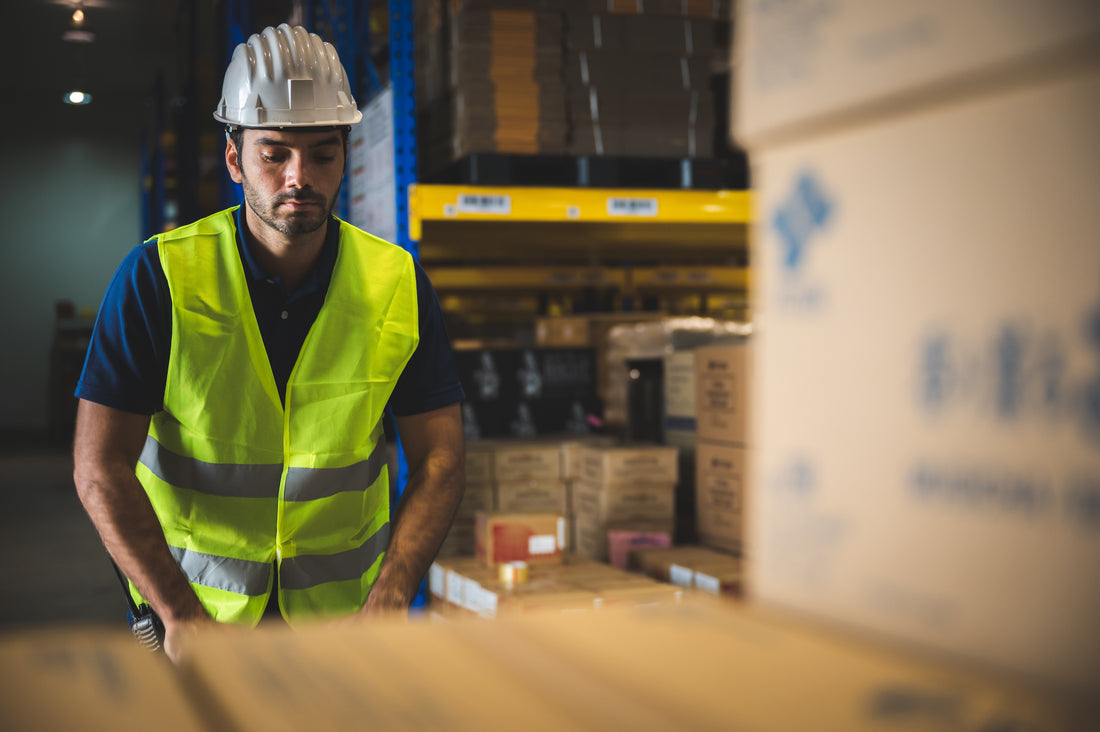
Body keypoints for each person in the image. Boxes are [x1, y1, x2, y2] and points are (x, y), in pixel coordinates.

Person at [72, 24, 466, 662]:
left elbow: (442, 459)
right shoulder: (159, 278)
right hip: (199, 618)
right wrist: (177, 612)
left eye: (323, 153)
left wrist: (388, 601)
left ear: (347, 153)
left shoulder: (396, 281)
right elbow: (97, 467)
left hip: (344, 627)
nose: (298, 177)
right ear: (234, 158)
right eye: (274, 153)